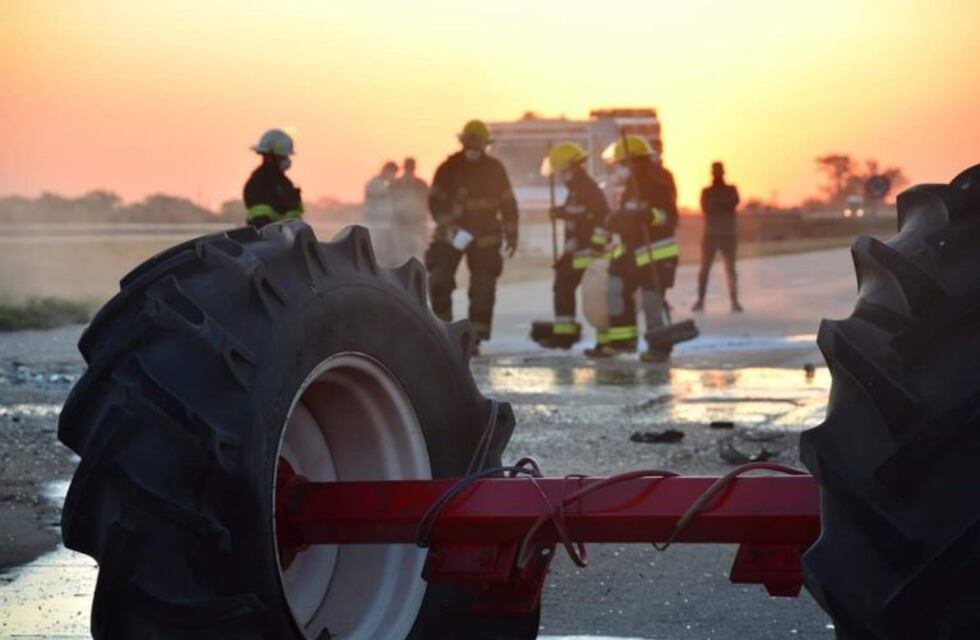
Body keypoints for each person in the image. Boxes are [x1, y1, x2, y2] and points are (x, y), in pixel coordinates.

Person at [425, 119, 519, 351]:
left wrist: (512, 233)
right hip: (452, 234)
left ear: (485, 146)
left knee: (483, 288)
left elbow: (508, 204)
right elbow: (434, 201)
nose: (473, 151)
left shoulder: (495, 169)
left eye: (478, 147)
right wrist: (447, 223)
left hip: (486, 236)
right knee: (439, 279)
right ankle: (443, 333)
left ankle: (474, 339)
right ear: (462, 143)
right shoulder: (448, 168)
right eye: (470, 146)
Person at [589, 134, 679, 362]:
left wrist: (649, 215)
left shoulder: (658, 185)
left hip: (656, 253)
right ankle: (623, 342)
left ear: (633, 162)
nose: (618, 169)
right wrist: (616, 220)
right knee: (616, 289)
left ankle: (659, 347)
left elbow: (670, 218)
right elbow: (625, 219)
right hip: (631, 254)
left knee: (651, 300)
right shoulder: (630, 188)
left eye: (621, 164)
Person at [531, 142, 610, 349]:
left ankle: (599, 340)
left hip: (590, 253)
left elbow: (602, 219)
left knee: (591, 294)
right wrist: (560, 212)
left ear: (573, 168)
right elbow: (577, 213)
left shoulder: (588, 189)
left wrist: (595, 246)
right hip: (576, 252)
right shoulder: (576, 190)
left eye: (563, 172)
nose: (561, 176)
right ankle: (565, 335)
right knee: (563, 286)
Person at [693, 161, 742, 312]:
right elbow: (707, 207)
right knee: (705, 270)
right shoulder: (707, 191)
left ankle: (734, 301)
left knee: (730, 269)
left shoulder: (730, 189)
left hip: (726, 234)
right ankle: (700, 301)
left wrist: (717, 205)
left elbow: (732, 203)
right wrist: (722, 205)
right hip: (712, 235)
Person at [243, 129, 303, 227]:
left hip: (290, 240)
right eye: (283, 157)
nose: (287, 160)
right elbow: (261, 224)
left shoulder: (284, 183)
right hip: (272, 241)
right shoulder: (257, 185)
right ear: (270, 157)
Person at [391, 157, 430, 263]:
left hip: (417, 223)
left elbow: (426, 201)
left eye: (411, 167)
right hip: (401, 224)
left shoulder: (421, 184)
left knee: (417, 253)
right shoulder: (396, 184)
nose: (410, 170)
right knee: (402, 255)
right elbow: (391, 203)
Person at [363, 161, 399, 265]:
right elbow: (378, 197)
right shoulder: (374, 184)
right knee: (376, 253)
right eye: (393, 173)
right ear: (387, 170)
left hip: (385, 225)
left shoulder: (384, 184)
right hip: (376, 225)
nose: (393, 176)